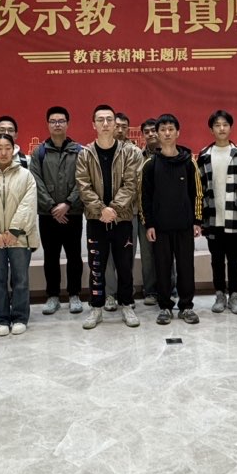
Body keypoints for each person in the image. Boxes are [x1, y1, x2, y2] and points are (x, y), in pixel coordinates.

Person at [76, 104, 142, 329]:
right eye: (100, 120)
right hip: (96, 220)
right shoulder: (85, 154)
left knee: (124, 266)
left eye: (109, 119)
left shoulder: (129, 152)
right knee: (96, 267)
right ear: (93, 125)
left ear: (115, 124)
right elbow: (83, 186)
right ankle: (96, 308)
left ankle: (127, 305)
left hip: (122, 220)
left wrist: (112, 209)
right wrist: (101, 210)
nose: (105, 124)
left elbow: (131, 184)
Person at [0, 133, 40, 337]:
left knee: (21, 279)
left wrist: (14, 230)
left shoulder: (25, 175)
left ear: (14, 150)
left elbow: (29, 204)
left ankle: (20, 317)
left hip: (20, 236)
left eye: (7, 148)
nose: (3, 152)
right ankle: (1, 319)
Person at [141, 113, 202, 325]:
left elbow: (197, 193)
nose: (167, 133)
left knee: (186, 268)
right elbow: (145, 197)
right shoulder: (150, 164)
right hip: (160, 228)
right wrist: (149, 224)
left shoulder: (189, 162)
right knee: (162, 268)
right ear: (157, 134)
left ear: (178, 133)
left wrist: (197, 221)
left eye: (171, 129)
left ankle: (186, 306)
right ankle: (165, 306)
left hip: (184, 226)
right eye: (163, 130)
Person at [198, 110, 237, 315]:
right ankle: (219, 295)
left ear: (230, 128)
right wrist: (199, 218)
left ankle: (234, 295)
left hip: (236, 217)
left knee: (234, 260)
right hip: (212, 217)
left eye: (225, 125)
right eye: (217, 125)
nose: (221, 128)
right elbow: (199, 189)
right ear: (211, 129)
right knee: (216, 260)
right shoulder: (204, 156)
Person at [30, 106, 85, 316]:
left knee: (74, 256)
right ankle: (52, 295)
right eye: (53, 121)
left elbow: (84, 180)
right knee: (51, 257)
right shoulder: (40, 152)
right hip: (48, 215)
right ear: (48, 124)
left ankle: (74, 294)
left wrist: (68, 204)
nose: (57, 124)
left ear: (68, 124)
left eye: (61, 121)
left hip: (73, 213)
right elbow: (35, 180)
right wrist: (53, 206)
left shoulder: (79, 151)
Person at [104, 110, 140, 309]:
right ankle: (110, 294)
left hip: (129, 213)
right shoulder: (100, 149)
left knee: (127, 256)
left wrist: (117, 206)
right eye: (116, 126)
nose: (119, 130)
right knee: (107, 256)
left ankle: (126, 293)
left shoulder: (135, 152)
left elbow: (134, 183)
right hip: (104, 214)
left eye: (123, 127)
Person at [136, 117, 161, 305]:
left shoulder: (170, 153)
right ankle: (151, 291)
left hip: (166, 213)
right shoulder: (138, 156)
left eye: (154, 130)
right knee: (147, 255)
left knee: (168, 253)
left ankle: (170, 288)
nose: (151, 134)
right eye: (147, 132)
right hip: (144, 213)